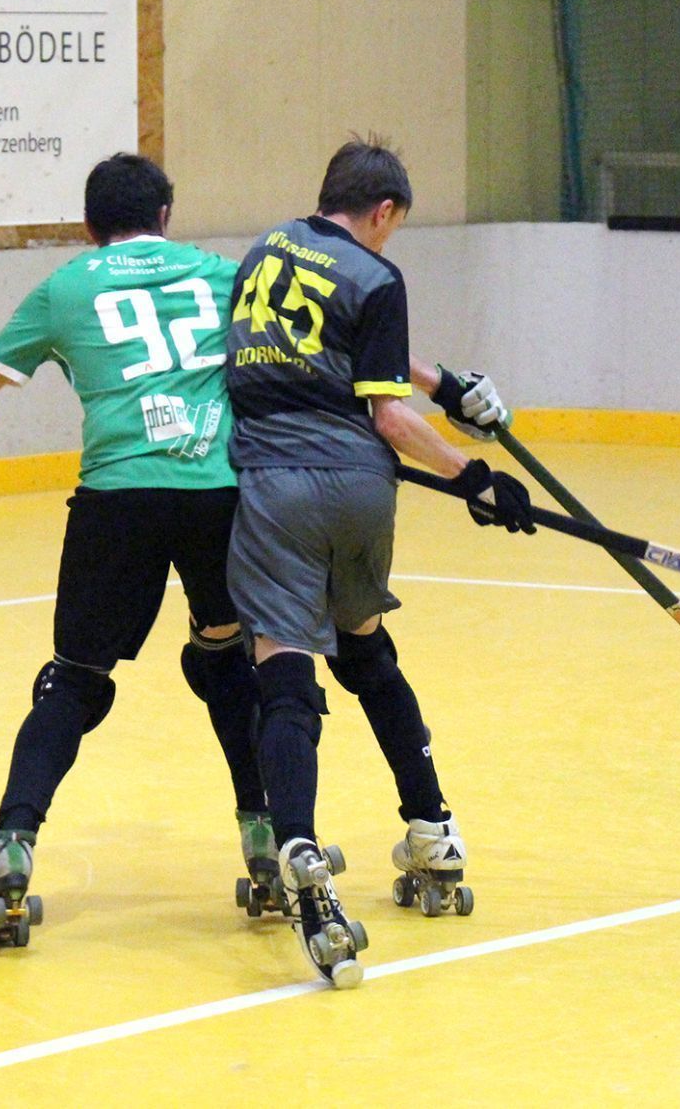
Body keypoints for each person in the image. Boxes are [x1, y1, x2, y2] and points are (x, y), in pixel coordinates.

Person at [0, 152, 272, 948]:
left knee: (75, 680)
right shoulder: (224, 273)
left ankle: (13, 841)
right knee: (230, 660)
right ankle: (265, 837)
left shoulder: (69, 286)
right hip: (220, 493)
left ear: (91, 227)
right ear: (166, 214)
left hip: (117, 499)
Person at [225, 136, 530, 987]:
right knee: (364, 647)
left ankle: (298, 846)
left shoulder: (265, 250)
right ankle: (431, 825)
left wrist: (443, 386)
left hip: (275, 485)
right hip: (362, 490)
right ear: (385, 211)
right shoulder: (378, 276)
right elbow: (385, 417)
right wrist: (474, 473)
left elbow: (344, 361)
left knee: (284, 664)